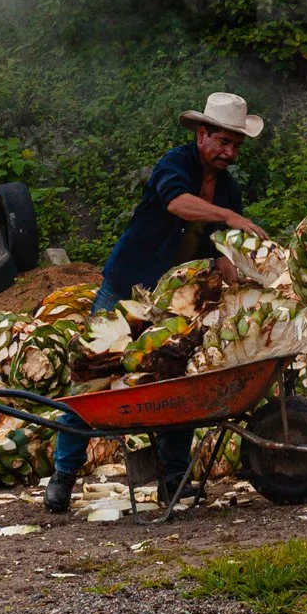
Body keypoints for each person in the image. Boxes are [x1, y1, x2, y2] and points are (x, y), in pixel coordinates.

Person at [43, 92, 268, 514]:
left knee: (176, 383)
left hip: (176, 301)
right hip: (128, 286)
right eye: (223, 142)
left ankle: (173, 481)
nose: (229, 152)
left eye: (236, 146)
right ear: (202, 134)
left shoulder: (229, 188)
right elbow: (176, 204)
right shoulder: (175, 163)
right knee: (90, 377)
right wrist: (227, 216)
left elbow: (222, 251)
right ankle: (63, 476)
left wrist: (242, 284)